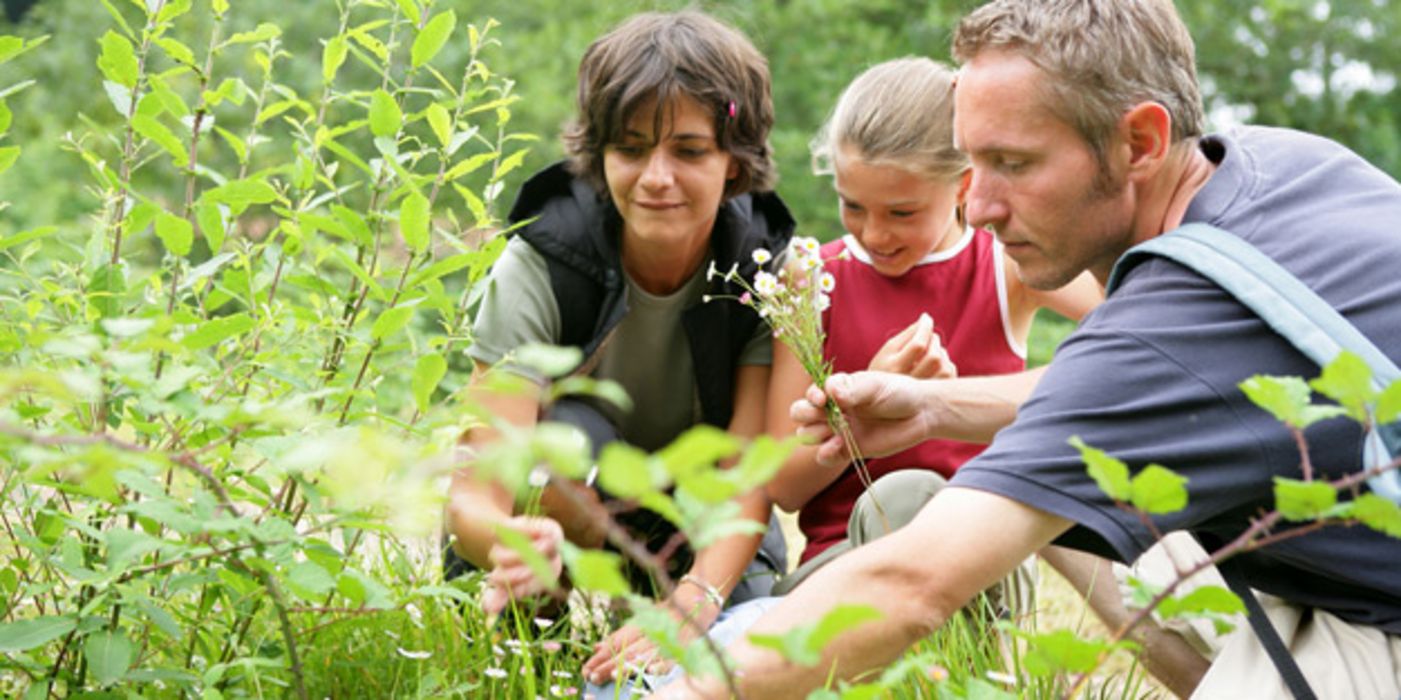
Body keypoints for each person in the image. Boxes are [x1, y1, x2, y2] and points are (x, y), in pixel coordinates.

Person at [652, 1, 1401, 698]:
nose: (976, 206)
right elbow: (1125, 389)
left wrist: (663, 692)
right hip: (1344, 556)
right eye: (971, 165)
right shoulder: (1278, 163)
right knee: (1076, 505)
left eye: (1012, 164)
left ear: (1139, 140)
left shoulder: (1175, 326)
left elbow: (909, 588)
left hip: (1375, 618)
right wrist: (934, 406)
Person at [441, 9, 792, 693]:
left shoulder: (761, 271)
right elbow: (477, 490)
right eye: (630, 149)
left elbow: (745, 478)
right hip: (558, 497)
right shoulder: (541, 262)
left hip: (699, 514)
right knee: (555, 475)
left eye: (689, 151)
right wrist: (507, 545)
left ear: (733, 161)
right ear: (600, 155)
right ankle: (535, 645)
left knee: (739, 654)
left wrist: (694, 604)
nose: (656, 177)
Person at [763, 57, 1099, 604]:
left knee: (929, 499)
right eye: (853, 206)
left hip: (980, 566)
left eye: (902, 212)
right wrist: (858, 411)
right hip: (838, 572)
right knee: (903, 497)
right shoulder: (811, 279)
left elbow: (1142, 327)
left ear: (965, 185)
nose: (874, 233)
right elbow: (782, 483)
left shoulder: (1006, 267)